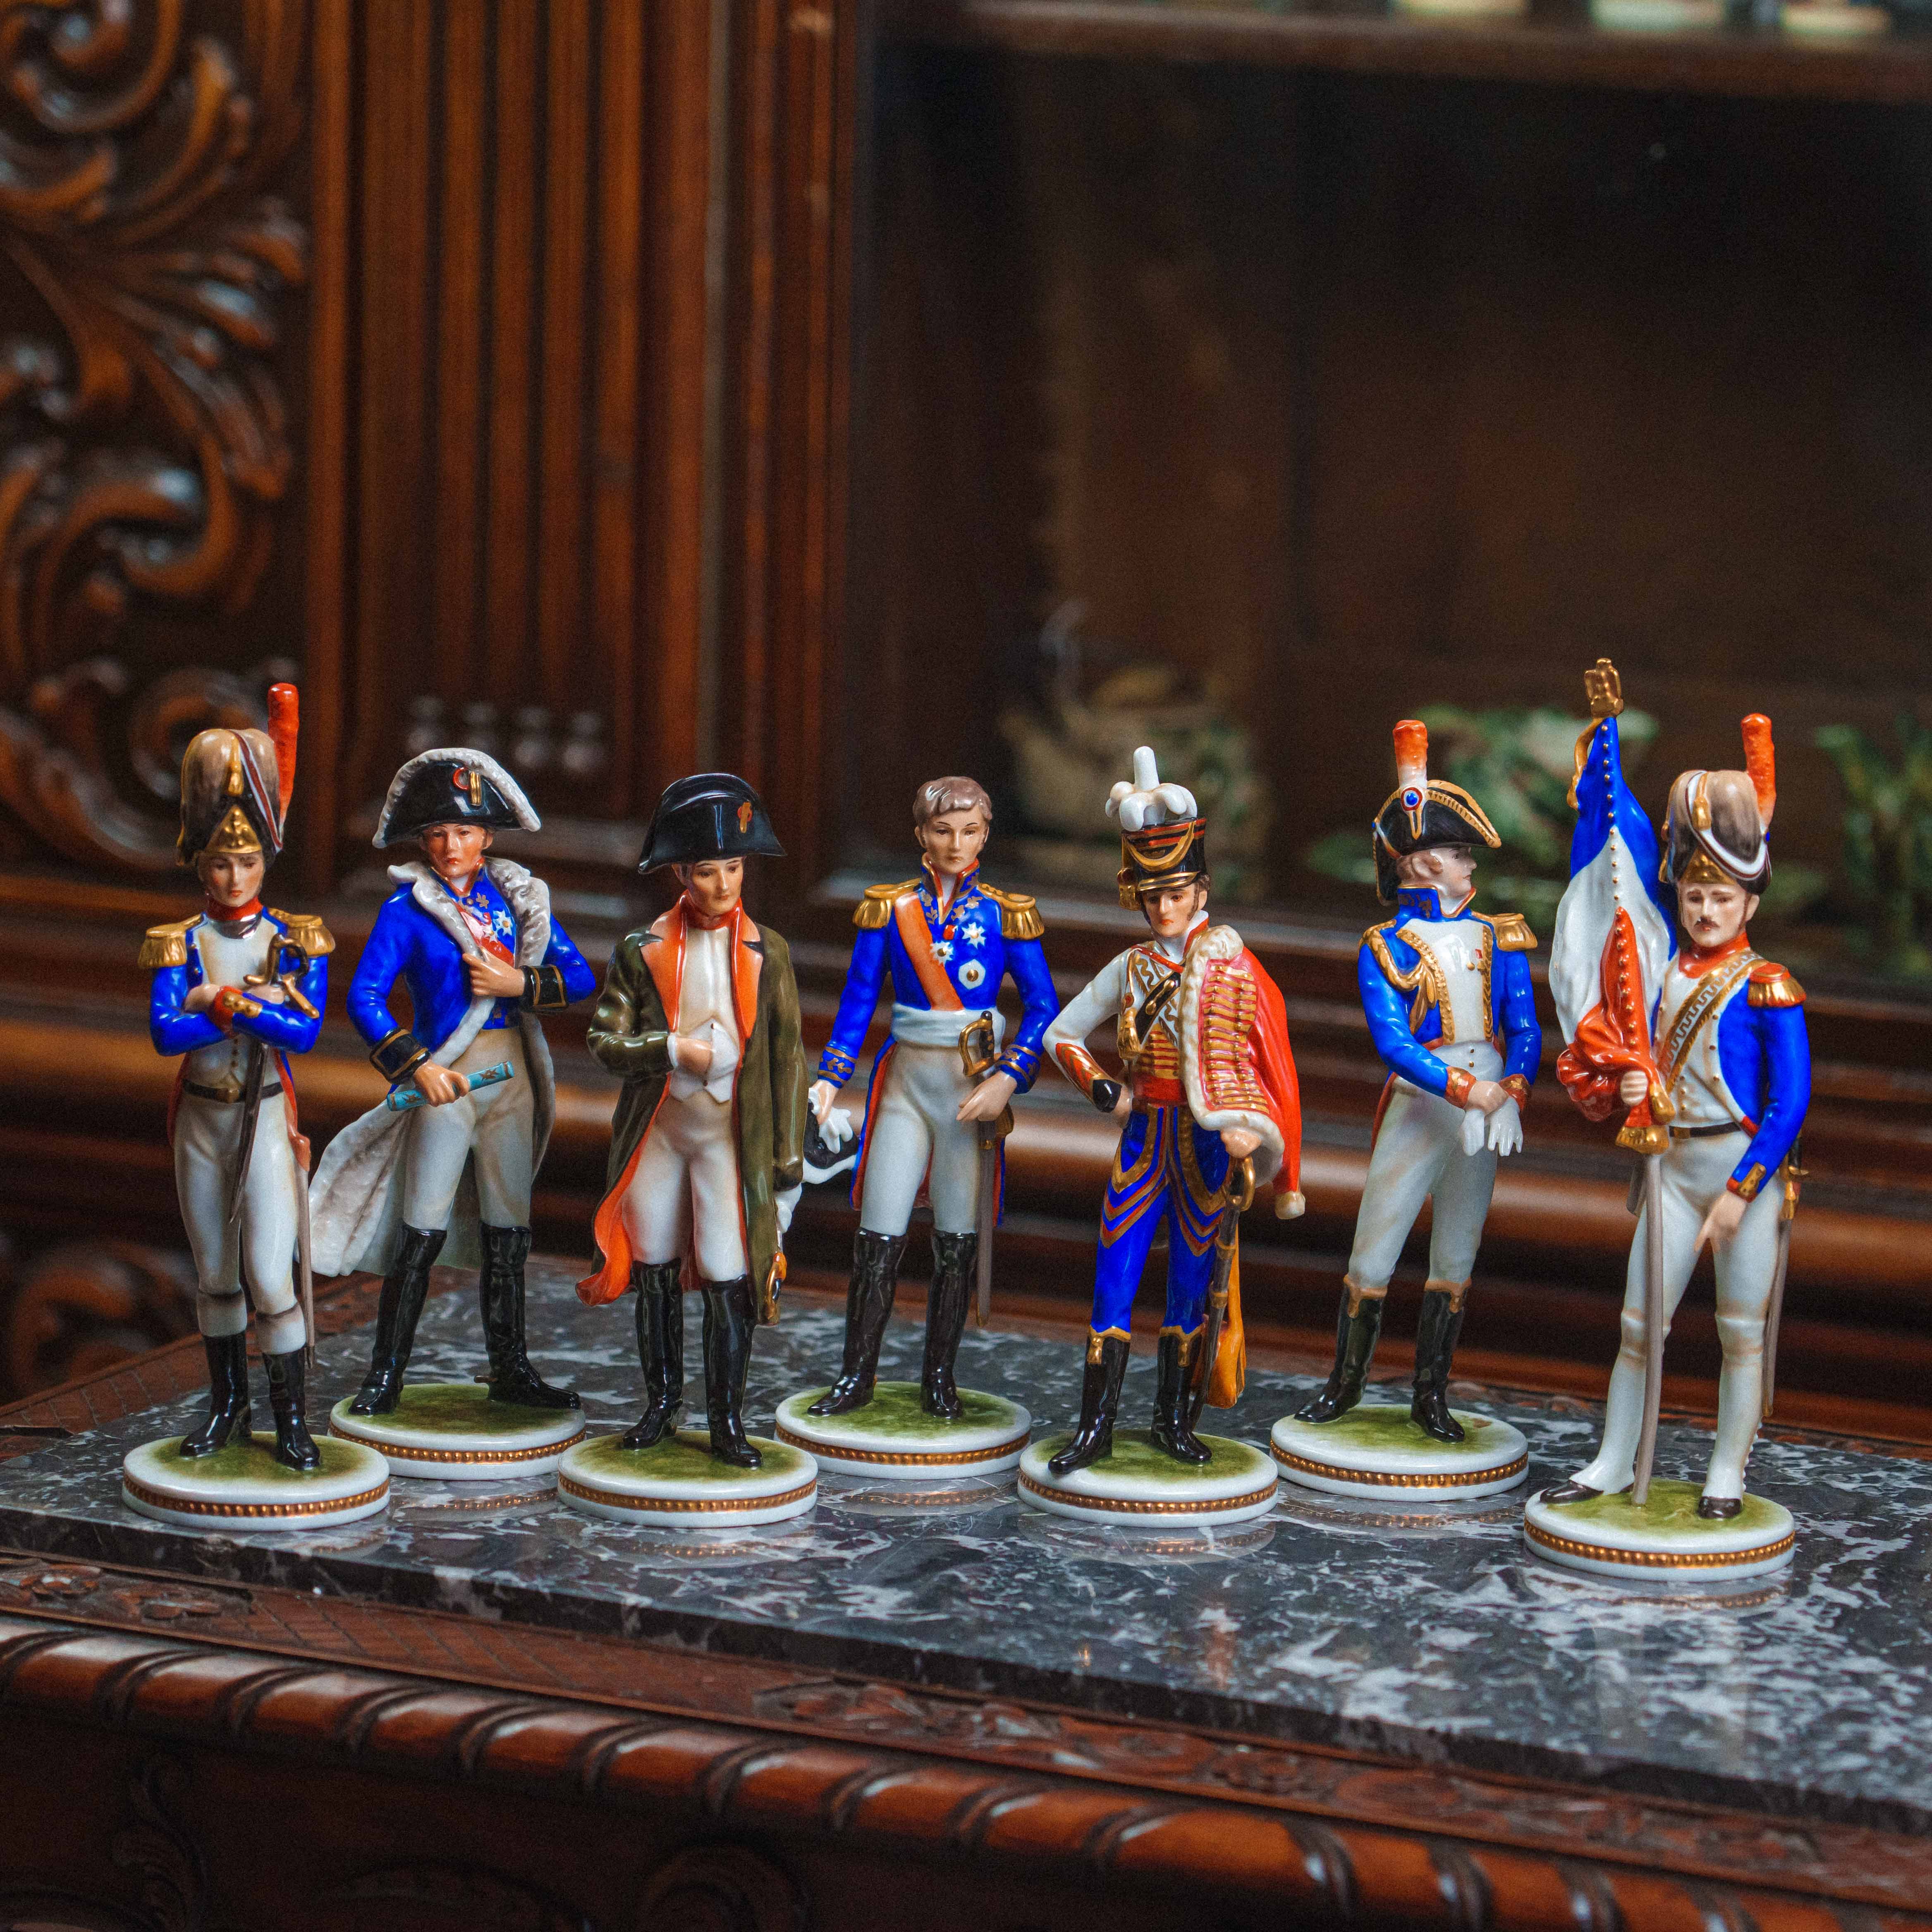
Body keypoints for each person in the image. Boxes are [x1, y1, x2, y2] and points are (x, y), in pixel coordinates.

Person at [1545, 717, 1809, 1518]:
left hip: (1738, 1174)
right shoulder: (1660, 966)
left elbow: (1790, 1103)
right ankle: (1611, 1461)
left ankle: (1727, 1472)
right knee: (1638, 1327)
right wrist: (1635, 1081)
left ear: (1749, 900)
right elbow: (1639, 1041)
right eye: (1694, 895)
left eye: (1721, 896)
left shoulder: (1769, 986)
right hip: (1668, 1167)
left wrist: (1742, 1189)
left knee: (1739, 1334)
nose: (1704, 909)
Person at [309, 749, 595, 1414]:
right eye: (437, 833)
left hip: (512, 1077)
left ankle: (511, 1369)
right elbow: (365, 998)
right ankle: (386, 1374)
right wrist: (417, 1065)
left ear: (486, 836)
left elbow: (580, 978)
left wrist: (519, 983)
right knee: (421, 1230)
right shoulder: (406, 910)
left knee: (509, 1232)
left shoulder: (520, 901)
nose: (450, 845)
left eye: (463, 831)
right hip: (448, 1077)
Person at [1042, 748, 1303, 1472]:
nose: (1164, 907)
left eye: (1177, 892)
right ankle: (1095, 1429)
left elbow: (1269, 1061)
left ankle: (1173, 1424)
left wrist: (1257, 1133)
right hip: (1144, 1137)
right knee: (1114, 1283)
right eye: (1153, 894)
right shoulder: (1129, 967)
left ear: (1201, 890)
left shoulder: (1234, 966)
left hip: (1208, 1144)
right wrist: (1106, 1091)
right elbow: (1061, 1034)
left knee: (1192, 1290)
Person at [1296, 720, 1541, 1442]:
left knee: (1457, 1253)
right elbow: (1395, 1044)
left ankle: (1431, 1394)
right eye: (1458, 853)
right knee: (1375, 1246)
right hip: (1423, 1104)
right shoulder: (1385, 945)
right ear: (1425, 862)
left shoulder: (1499, 934)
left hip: (1488, 1106)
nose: (1468, 864)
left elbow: (1526, 1029)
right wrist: (1468, 1090)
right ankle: (1345, 1386)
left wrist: (1513, 1090)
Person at [807, 776, 1056, 1419]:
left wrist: (1008, 1077)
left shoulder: (1005, 914)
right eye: (943, 830)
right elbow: (859, 1000)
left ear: (986, 835)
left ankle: (939, 1378)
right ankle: (856, 1375)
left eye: (970, 830)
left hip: (970, 1087)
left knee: (956, 1238)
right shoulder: (888, 909)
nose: (956, 843)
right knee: (877, 1232)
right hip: (905, 1083)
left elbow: (1043, 1009)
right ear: (922, 833)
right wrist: (831, 1077)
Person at [577, 774, 807, 1467]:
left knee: (727, 1269)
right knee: (652, 1263)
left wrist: (787, 1160)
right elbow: (604, 1041)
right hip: (662, 1132)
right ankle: (661, 1404)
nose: (724, 884)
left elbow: (788, 1059)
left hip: (727, 1138)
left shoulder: (769, 952)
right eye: (708, 871)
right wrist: (670, 1049)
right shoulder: (640, 949)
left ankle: (727, 1418)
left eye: (733, 867)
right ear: (681, 874)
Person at [141, 684, 331, 1467]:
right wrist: (241, 1008)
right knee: (216, 1278)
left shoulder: (296, 940)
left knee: (270, 1278)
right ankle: (228, 1407)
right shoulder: (179, 941)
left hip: (265, 1113)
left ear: (265, 862)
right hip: (202, 1117)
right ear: (200, 861)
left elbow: (304, 1032)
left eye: (247, 861)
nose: (233, 877)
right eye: (220, 862)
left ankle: (290, 1421)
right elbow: (166, 1033)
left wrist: (223, 1002)